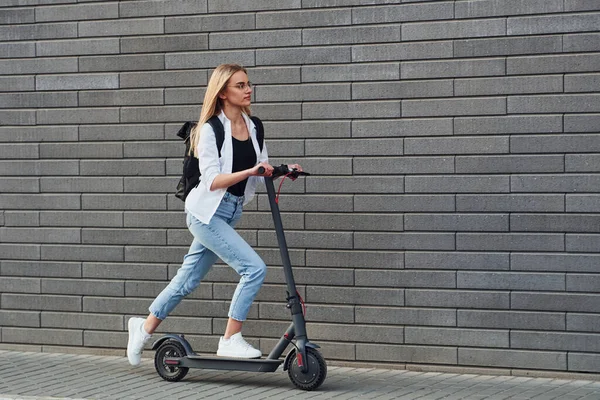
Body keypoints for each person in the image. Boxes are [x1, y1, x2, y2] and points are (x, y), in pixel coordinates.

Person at [127, 63, 302, 366]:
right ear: (223, 93)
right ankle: (230, 338)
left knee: (187, 279)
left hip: (231, 212)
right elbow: (211, 180)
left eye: (248, 84)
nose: (248, 90)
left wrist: (284, 170)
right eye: (240, 86)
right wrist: (249, 170)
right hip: (206, 214)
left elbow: (261, 171)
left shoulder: (255, 126)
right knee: (254, 269)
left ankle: (142, 328)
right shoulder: (210, 129)